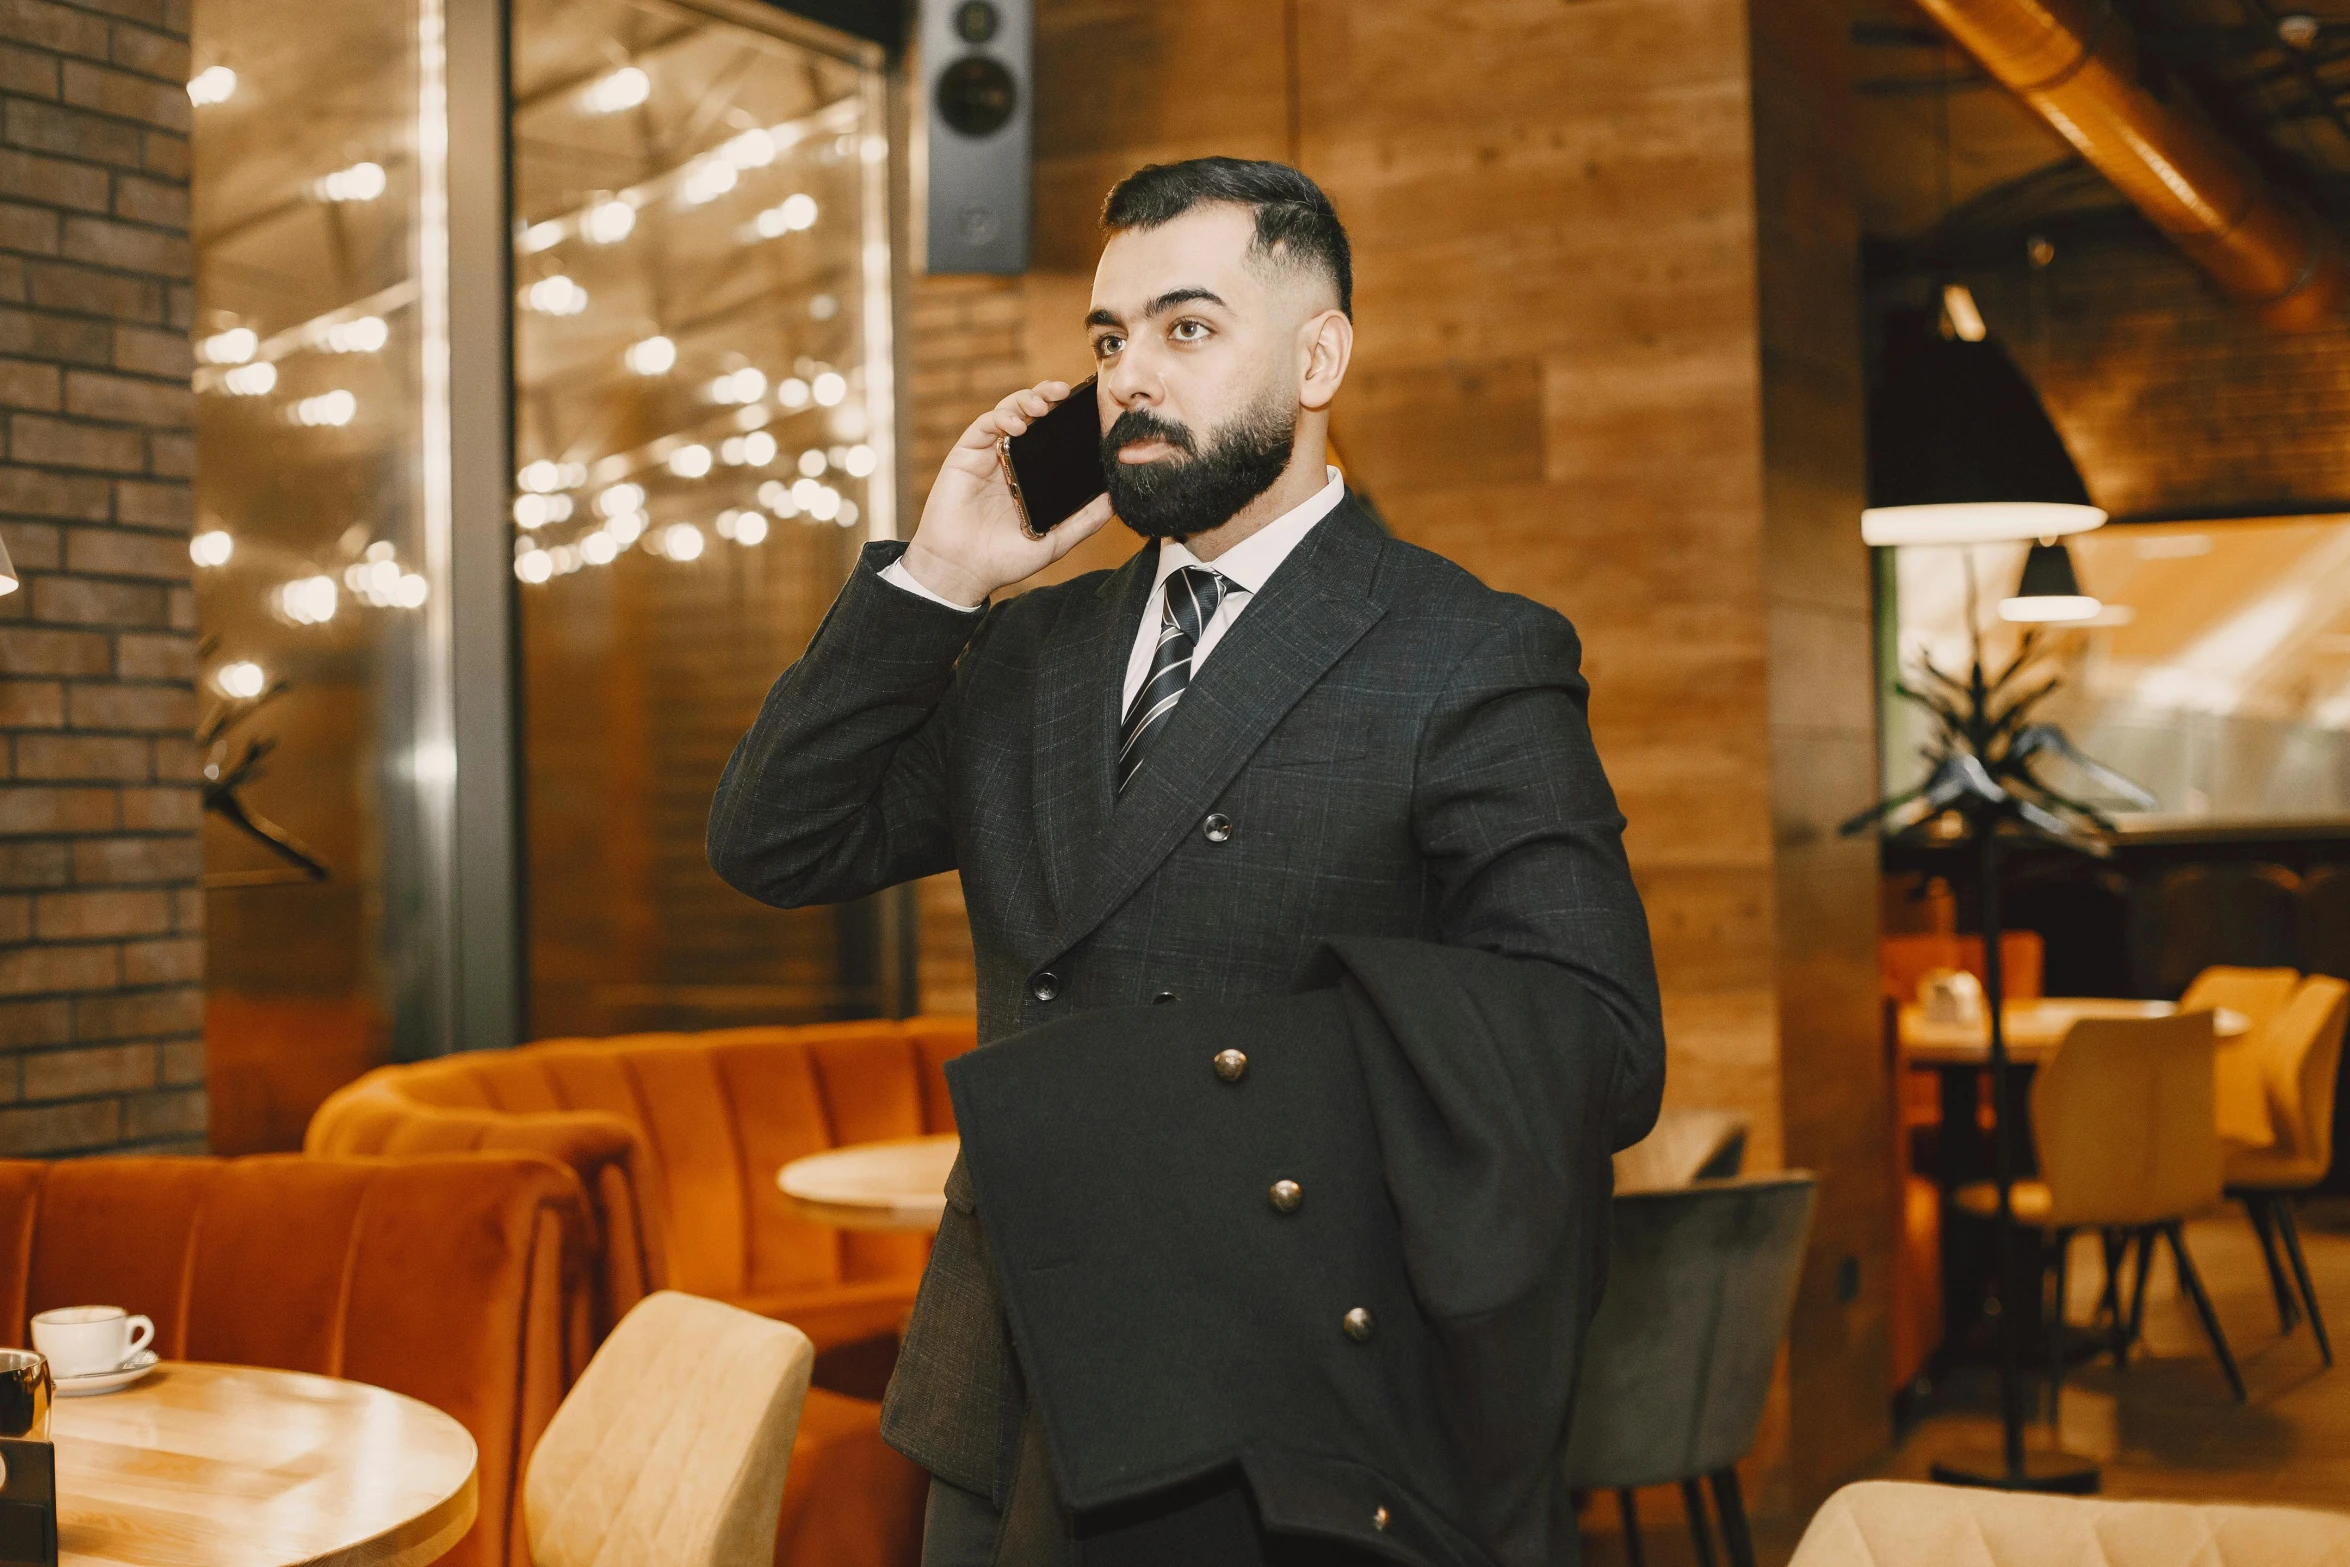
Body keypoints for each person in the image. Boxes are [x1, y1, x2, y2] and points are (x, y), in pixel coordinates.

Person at [709, 157, 1662, 1567]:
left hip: (1274, 1407)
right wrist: (938, 580)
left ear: (1318, 352)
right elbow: (774, 839)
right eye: (1109, 338)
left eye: (1187, 328)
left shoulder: (1461, 651)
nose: (1129, 377)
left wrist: (1214, 1099)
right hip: (1007, 1374)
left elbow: (1597, 1040)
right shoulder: (1030, 649)